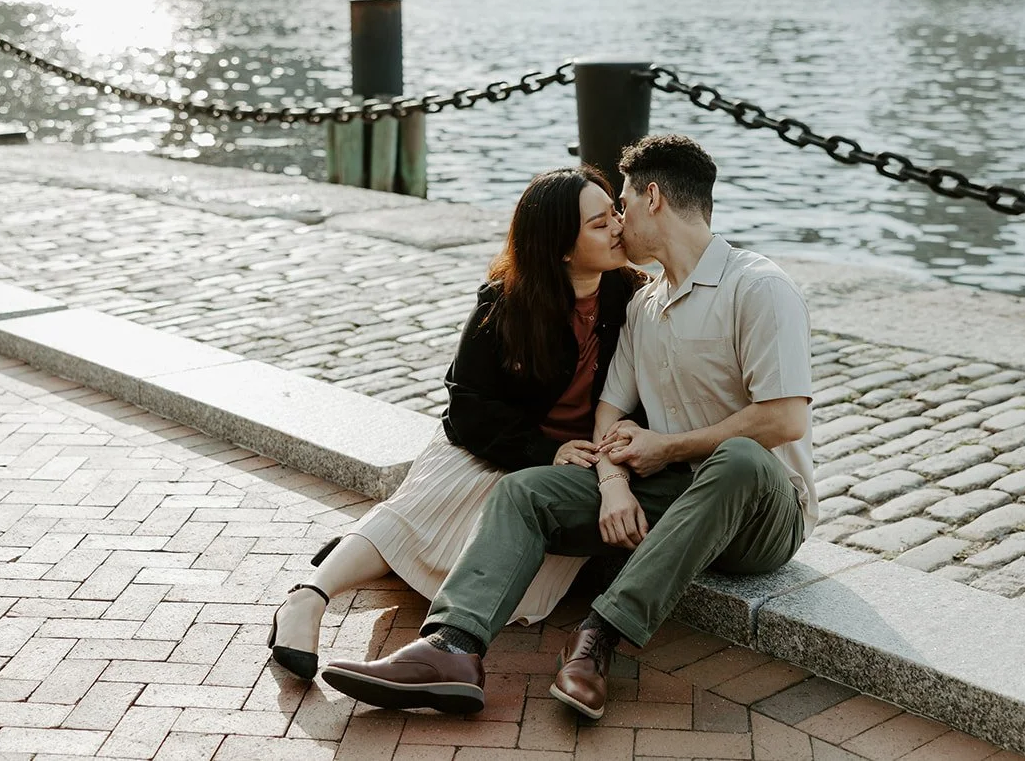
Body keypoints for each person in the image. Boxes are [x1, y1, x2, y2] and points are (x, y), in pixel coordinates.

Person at [321, 134, 816, 719]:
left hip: (762, 510)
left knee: (738, 458)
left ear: (652, 198)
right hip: (673, 491)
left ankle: (597, 639)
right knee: (525, 490)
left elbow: (785, 418)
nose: (618, 220)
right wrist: (611, 479)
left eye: (622, 204)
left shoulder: (757, 287)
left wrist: (668, 447)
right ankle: (451, 647)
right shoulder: (642, 304)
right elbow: (608, 409)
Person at [267, 166, 645, 680]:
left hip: (574, 466)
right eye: (600, 224)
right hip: (493, 446)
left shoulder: (634, 298)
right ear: (560, 245)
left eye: (615, 213)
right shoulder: (506, 301)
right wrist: (541, 450)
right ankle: (308, 599)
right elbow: (467, 405)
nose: (619, 227)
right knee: (413, 516)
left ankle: (397, 564)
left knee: (522, 590)